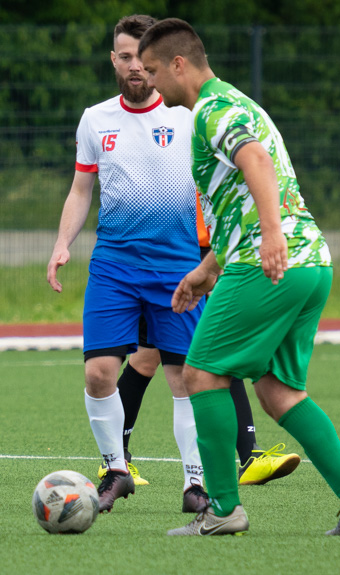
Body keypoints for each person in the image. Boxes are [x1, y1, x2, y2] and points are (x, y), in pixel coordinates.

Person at [138, 18, 340, 536]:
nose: (152, 84)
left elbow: (256, 164)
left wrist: (270, 235)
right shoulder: (241, 103)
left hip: (270, 260)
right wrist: (207, 270)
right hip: (310, 262)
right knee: (278, 391)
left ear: (179, 64)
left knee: (201, 374)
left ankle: (222, 511)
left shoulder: (212, 109)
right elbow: (241, 196)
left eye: (155, 71)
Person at [47, 14, 210, 515]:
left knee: (184, 378)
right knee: (99, 373)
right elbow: (81, 189)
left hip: (178, 265)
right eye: (124, 56)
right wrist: (61, 243)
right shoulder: (95, 119)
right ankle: (116, 469)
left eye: (143, 58)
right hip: (114, 265)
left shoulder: (190, 115)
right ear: (113, 60)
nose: (135, 66)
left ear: (158, 61)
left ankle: (196, 483)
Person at [107, 199, 301, 487]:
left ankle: (249, 457)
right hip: (170, 248)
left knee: (158, 357)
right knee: (158, 358)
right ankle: (115, 461)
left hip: (205, 249)